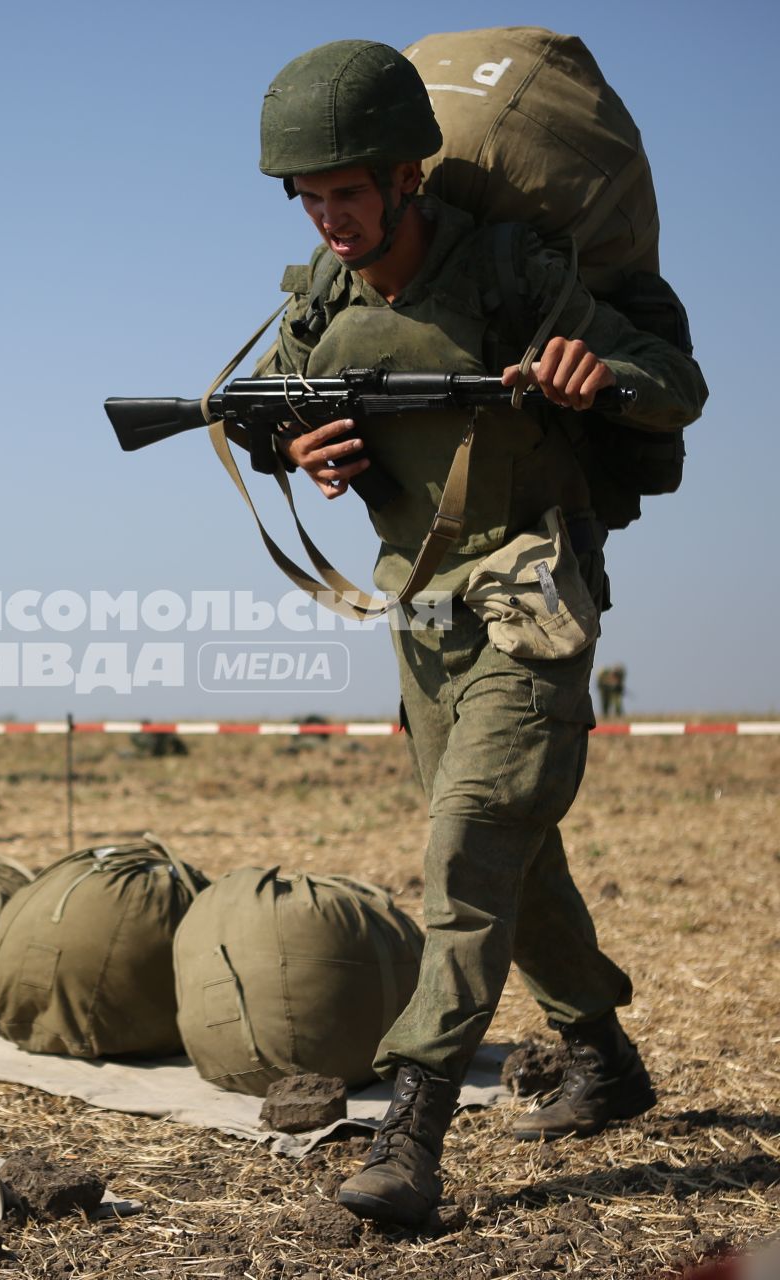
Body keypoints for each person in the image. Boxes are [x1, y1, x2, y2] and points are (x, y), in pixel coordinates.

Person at [248, 42, 707, 1226]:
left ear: (407, 174)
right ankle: (601, 1053)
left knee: (467, 844)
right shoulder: (320, 301)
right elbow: (264, 407)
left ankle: (414, 1120)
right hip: (422, 617)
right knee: (517, 854)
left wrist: (588, 369)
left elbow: (673, 380)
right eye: (307, 194)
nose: (328, 215)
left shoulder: (507, 269)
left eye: (347, 189)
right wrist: (297, 447)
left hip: (530, 598)